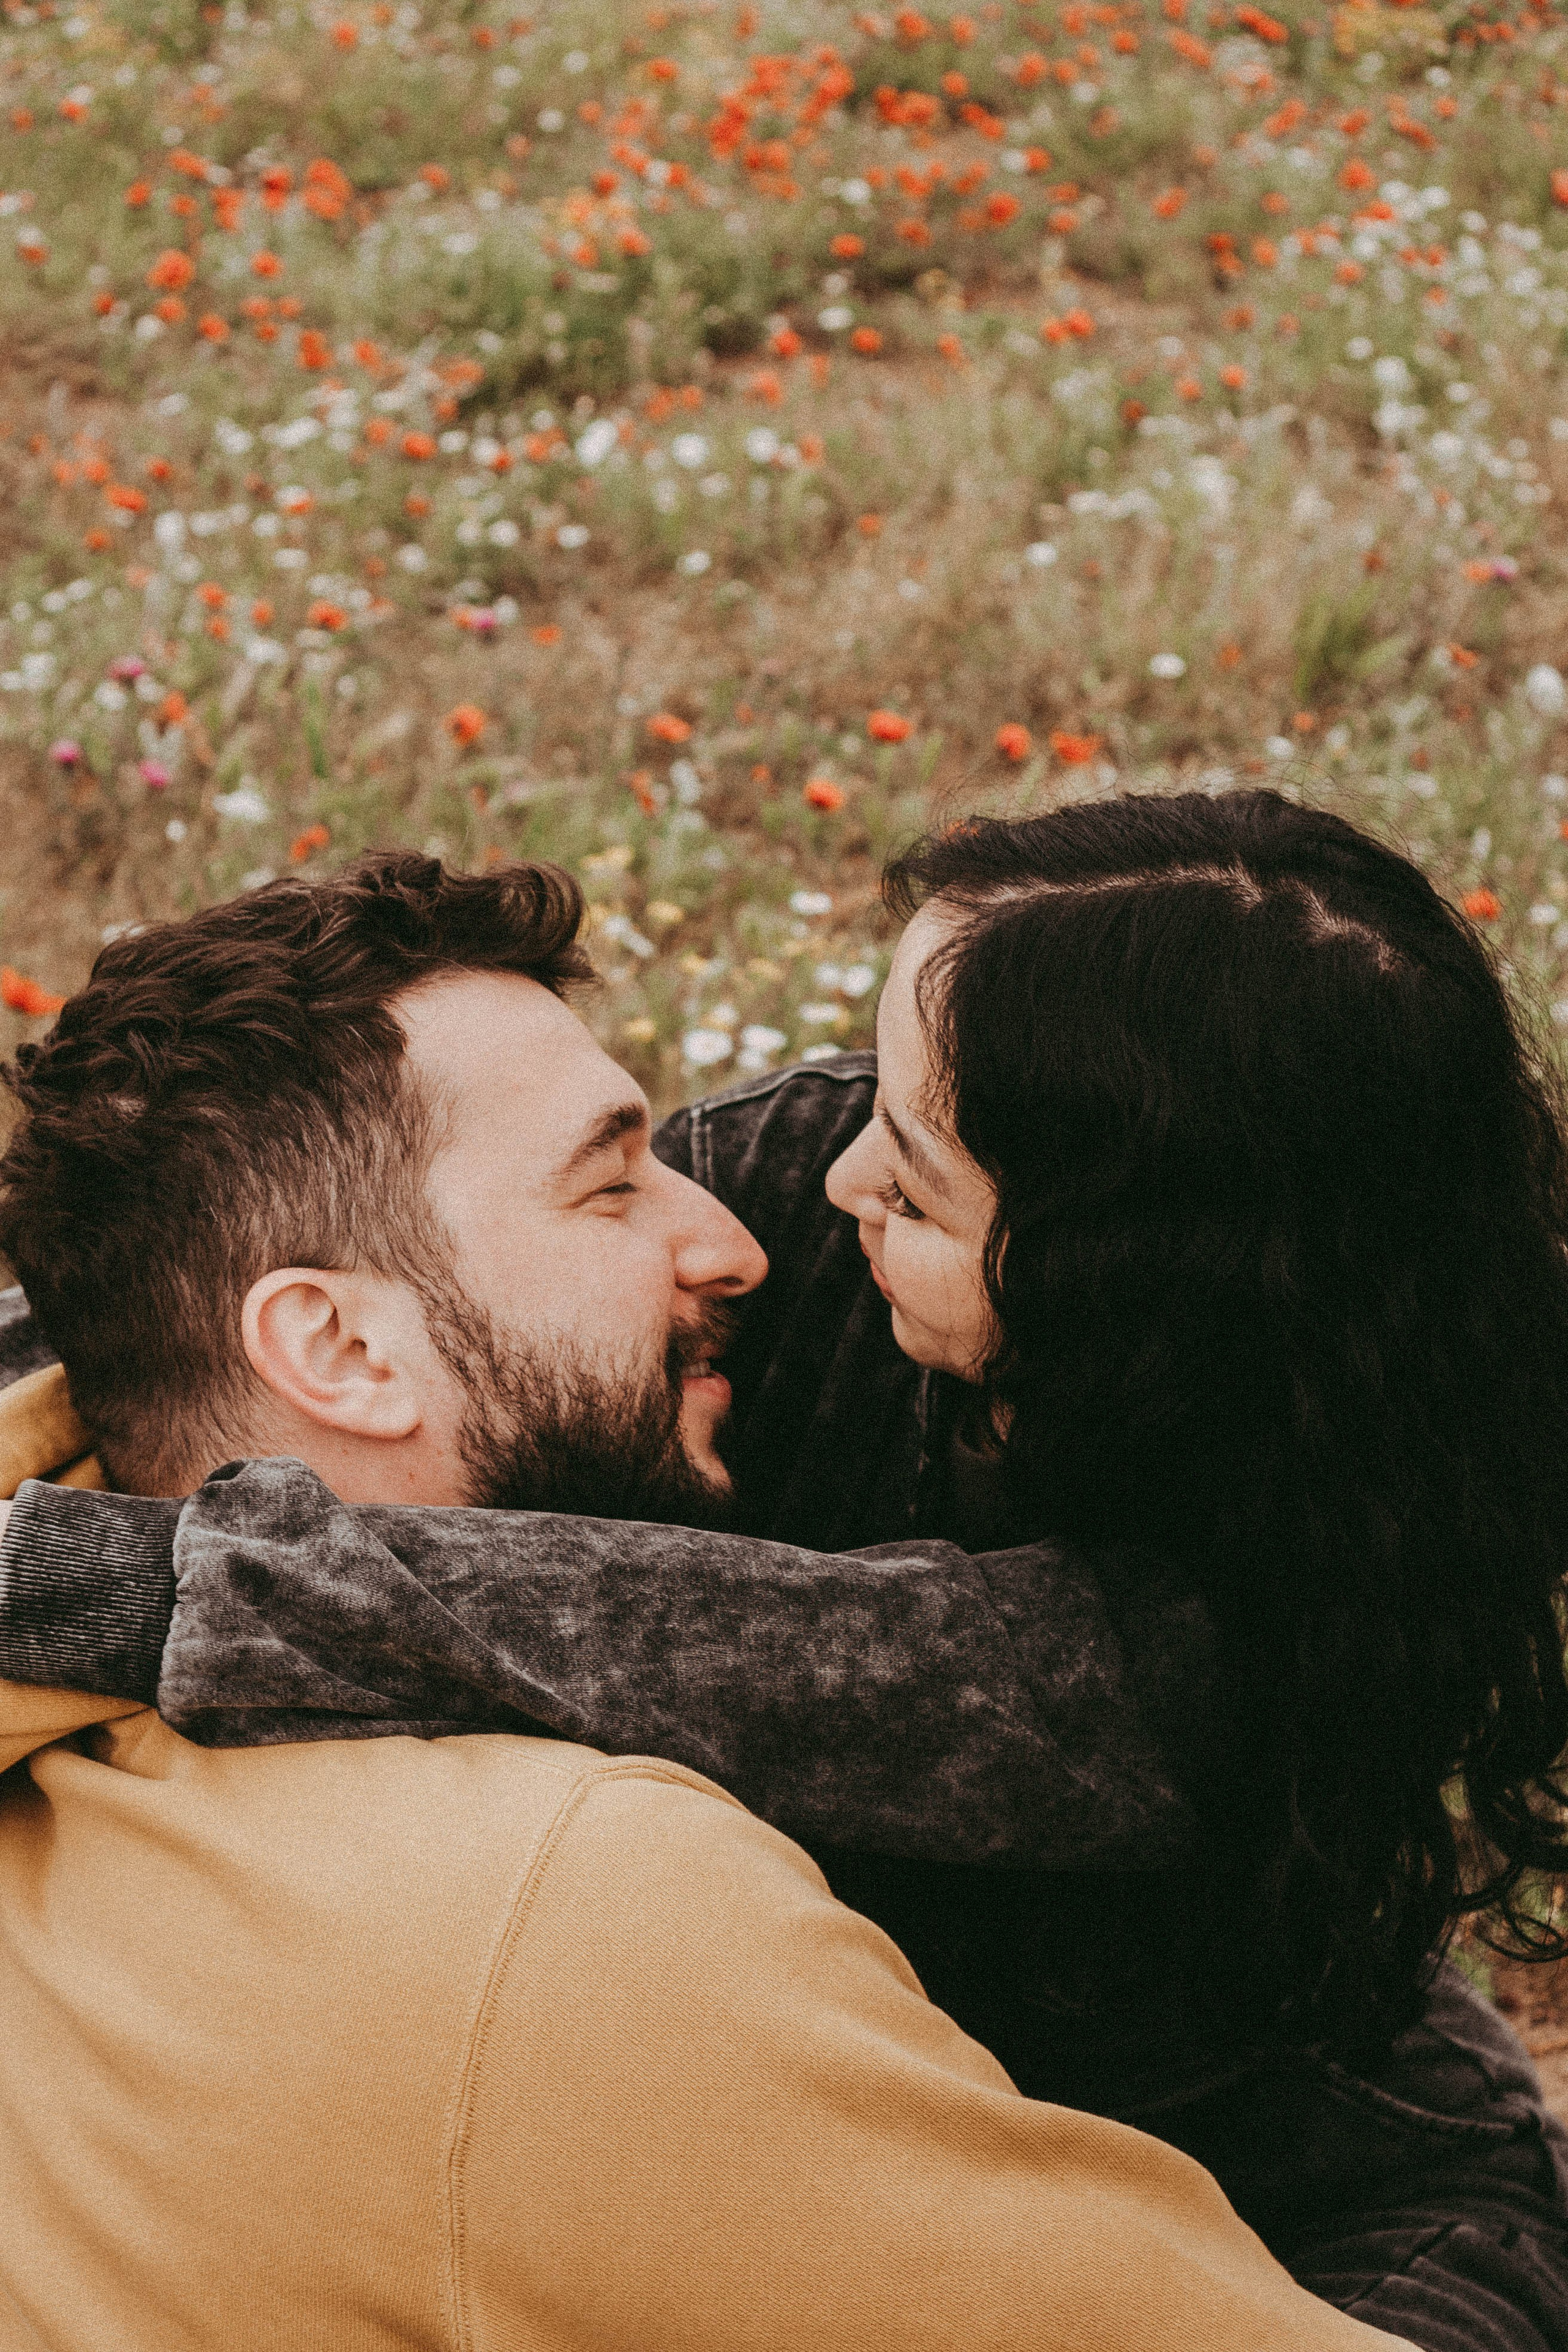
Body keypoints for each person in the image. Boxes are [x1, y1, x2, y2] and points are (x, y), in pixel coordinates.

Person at [1, 816, 1566, 2342]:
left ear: (1126, 1297)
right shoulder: (812, 1194)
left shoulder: (1285, 1574)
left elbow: (972, 1690)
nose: (802, 1194)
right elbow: (261, 1267)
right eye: (874, 1094)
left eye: (924, 1172)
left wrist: (206, 1581)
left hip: (1253, 2091)